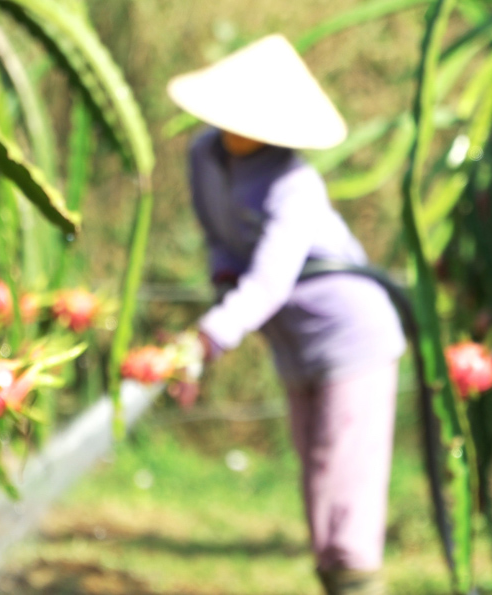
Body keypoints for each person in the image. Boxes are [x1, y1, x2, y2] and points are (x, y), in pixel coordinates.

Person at [166, 35, 406, 595]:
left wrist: (208, 338)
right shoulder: (204, 155)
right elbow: (219, 241)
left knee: (347, 495)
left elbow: (271, 279)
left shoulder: (294, 185)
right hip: (292, 341)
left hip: (353, 337)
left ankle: (359, 586)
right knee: (319, 483)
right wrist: (220, 291)